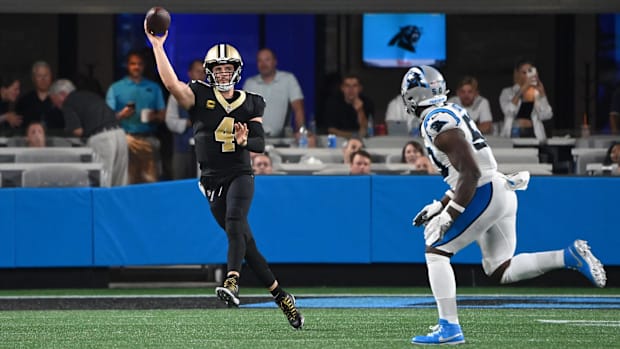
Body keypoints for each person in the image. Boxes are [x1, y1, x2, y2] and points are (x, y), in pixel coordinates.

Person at [400, 65, 606, 345]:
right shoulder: (448, 112)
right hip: (497, 189)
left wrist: (451, 213)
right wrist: (441, 203)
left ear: (411, 97)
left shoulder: (435, 122)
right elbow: (471, 171)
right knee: (500, 268)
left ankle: (449, 327)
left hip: (485, 191)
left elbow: (471, 173)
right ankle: (568, 256)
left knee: (436, 250)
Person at [145, 26, 304, 329]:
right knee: (246, 243)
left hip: (240, 174)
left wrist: (246, 142)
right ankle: (282, 297)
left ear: (237, 71)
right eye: (217, 69)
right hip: (211, 181)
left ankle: (232, 281)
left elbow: (260, 143)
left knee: (234, 223)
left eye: (227, 68)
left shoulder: (251, 101)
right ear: (209, 72)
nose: (222, 74)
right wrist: (157, 46)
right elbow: (170, 83)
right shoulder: (199, 94)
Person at [49, 79, 129, 187]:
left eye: (54, 100)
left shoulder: (68, 102)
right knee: (120, 182)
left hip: (102, 139)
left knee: (103, 181)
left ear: (62, 94)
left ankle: (102, 204)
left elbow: (78, 130)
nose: (56, 105)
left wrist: (66, 133)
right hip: (120, 134)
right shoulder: (89, 95)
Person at [106, 50, 166, 184]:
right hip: (125, 139)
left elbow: (163, 115)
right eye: (133, 64)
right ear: (127, 66)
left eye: (139, 64)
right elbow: (106, 119)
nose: (136, 67)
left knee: (150, 180)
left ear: (143, 66)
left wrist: (154, 116)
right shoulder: (116, 88)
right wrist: (121, 115)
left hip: (149, 138)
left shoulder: (154, 88)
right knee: (127, 180)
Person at [243, 48, 306, 138]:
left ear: (275, 62)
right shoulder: (250, 83)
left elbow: (298, 108)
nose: (263, 64)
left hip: (281, 140)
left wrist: (301, 132)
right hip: (255, 139)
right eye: (260, 60)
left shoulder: (288, 79)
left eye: (267, 60)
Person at [165, 59, 206, 180]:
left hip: (206, 150)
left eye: (203, 72)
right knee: (180, 183)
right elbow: (170, 121)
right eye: (197, 71)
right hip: (182, 148)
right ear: (190, 73)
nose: (201, 75)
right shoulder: (177, 93)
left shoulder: (213, 95)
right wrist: (188, 123)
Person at [499, 59, 553, 140]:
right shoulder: (508, 92)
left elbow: (547, 115)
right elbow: (508, 111)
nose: (527, 76)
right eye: (524, 73)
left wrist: (542, 94)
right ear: (517, 74)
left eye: (530, 72)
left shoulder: (537, 93)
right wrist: (522, 90)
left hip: (535, 135)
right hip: (514, 135)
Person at [16, 61, 65, 134]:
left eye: (46, 75)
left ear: (51, 76)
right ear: (33, 78)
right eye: (39, 76)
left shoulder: (60, 100)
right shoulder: (24, 101)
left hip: (56, 143)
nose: (43, 79)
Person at [325, 73, 374, 138]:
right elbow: (331, 130)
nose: (351, 89)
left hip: (361, 142)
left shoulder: (367, 103)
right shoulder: (333, 103)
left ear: (360, 88)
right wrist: (353, 136)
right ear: (342, 88)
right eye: (347, 86)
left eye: (354, 86)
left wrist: (360, 110)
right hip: (338, 141)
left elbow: (367, 130)